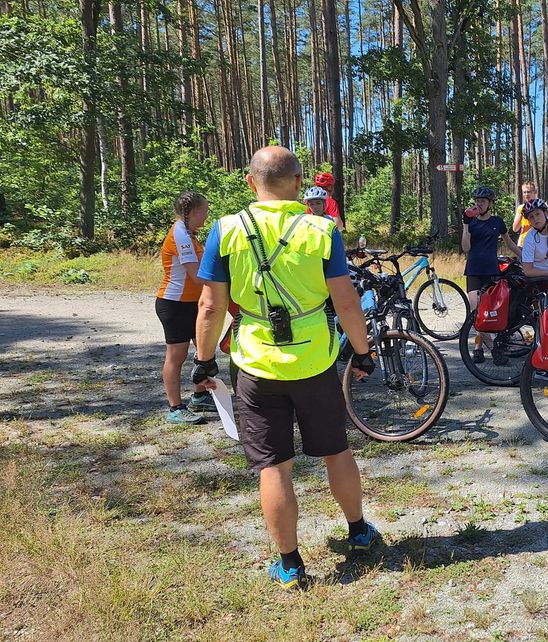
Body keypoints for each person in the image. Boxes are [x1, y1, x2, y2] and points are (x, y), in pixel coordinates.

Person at [191, 145, 380, 590]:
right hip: (315, 360)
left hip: (256, 365)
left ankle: (291, 564)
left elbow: (210, 306)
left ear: (250, 182)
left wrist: (203, 362)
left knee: (273, 466)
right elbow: (346, 300)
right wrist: (363, 352)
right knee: (336, 450)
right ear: (299, 184)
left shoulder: (225, 230)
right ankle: (358, 532)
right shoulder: (321, 230)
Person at [155, 191, 212, 424]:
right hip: (174, 304)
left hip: (192, 303)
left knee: (204, 352)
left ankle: (199, 396)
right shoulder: (180, 235)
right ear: (193, 212)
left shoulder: (190, 233)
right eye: (205, 212)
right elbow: (197, 276)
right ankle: (175, 408)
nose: (207, 216)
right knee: (176, 356)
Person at [462, 186, 521, 364]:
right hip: (473, 270)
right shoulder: (471, 223)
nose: (479, 204)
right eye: (477, 201)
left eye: (482, 201)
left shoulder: (497, 221)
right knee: (476, 312)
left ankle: (478, 347)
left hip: (491, 271)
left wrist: (525, 258)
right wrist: (465, 225)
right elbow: (466, 248)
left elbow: (510, 244)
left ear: (490, 203)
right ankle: (494, 349)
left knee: (488, 313)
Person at [511, 180, 540, 246]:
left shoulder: (541, 206)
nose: (526, 194)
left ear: (535, 192)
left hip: (539, 242)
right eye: (524, 192)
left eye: (529, 192)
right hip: (523, 243)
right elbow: (515, 229)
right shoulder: (520, 208)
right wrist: (522, 212)